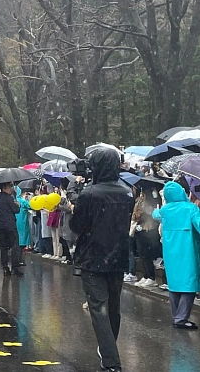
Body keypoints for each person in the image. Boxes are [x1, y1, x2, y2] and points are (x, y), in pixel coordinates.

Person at [70, 148, 134, 372]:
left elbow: (77, 226)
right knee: (113, 307)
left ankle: (111, 361)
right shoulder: (127, 192)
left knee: (99, 308)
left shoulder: (89, 194)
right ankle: (109, 350)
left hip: (93, 257)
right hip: (117, 256)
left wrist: (74, 209)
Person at [152, 181, 200, 329]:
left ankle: (176, 316)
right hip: (188, 253)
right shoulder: (190, 209)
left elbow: (154, 213)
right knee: (189, 284)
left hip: (170, 254)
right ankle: (180, 319)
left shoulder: (165, 211)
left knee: (174, 285)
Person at [0, 182, 23, 276]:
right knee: (15, 246)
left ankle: (5, 267)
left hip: (1, 226)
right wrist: (17, 205)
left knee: (3, 247)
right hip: (10, 225)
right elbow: (16, 210)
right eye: (9, 187)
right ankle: (15, 267)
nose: (10, 189)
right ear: (4, 187)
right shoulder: (9, 198)